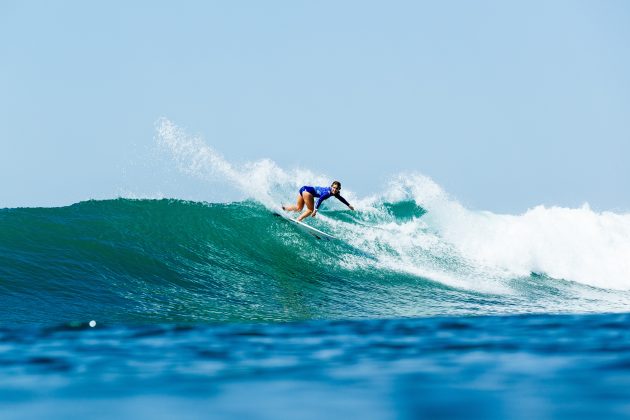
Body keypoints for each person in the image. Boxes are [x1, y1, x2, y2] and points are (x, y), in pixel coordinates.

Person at [282, 181, 355, 222]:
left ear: (339, 189)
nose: (335, 189)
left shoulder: (334, 193)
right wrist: (315, 210)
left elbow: (340, 198)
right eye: (334, 188)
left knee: (299, 208)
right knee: (310, 210)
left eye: (337, 188)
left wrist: (348, 205)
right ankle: (298, 220)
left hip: (304, 189)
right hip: (308, 192)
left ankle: (284, 208)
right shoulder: (328, 193)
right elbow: (320, 199)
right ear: (331, 186)